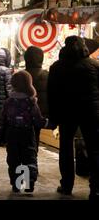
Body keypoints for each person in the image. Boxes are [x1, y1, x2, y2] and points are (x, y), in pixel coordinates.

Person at [48, 36, 99, 200]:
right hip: (91, 112)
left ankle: (66, 185)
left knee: (66, 149)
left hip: (66, 112)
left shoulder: (57, 67)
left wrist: (53, 117)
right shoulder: (95, 65)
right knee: (94, 149)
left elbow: (52, 94)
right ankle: (96, 188)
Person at [0, 70, 48, 193]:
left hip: (12, 134)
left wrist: (0, 135)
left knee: (14, 159)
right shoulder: (31, 102)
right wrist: (49, 123)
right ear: (28, 84)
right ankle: (29, 184)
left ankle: (17, 184)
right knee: (29, 158)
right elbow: (37, 120)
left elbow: (2, 120)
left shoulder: (8, 102)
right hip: (27, 134)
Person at [24, 46, 48, 149]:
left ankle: (25, 161)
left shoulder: (22, 75)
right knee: (35, 137)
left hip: (23, 112)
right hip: (39, 112)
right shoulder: (46, 75)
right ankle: (33, 160)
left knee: (24, 139)